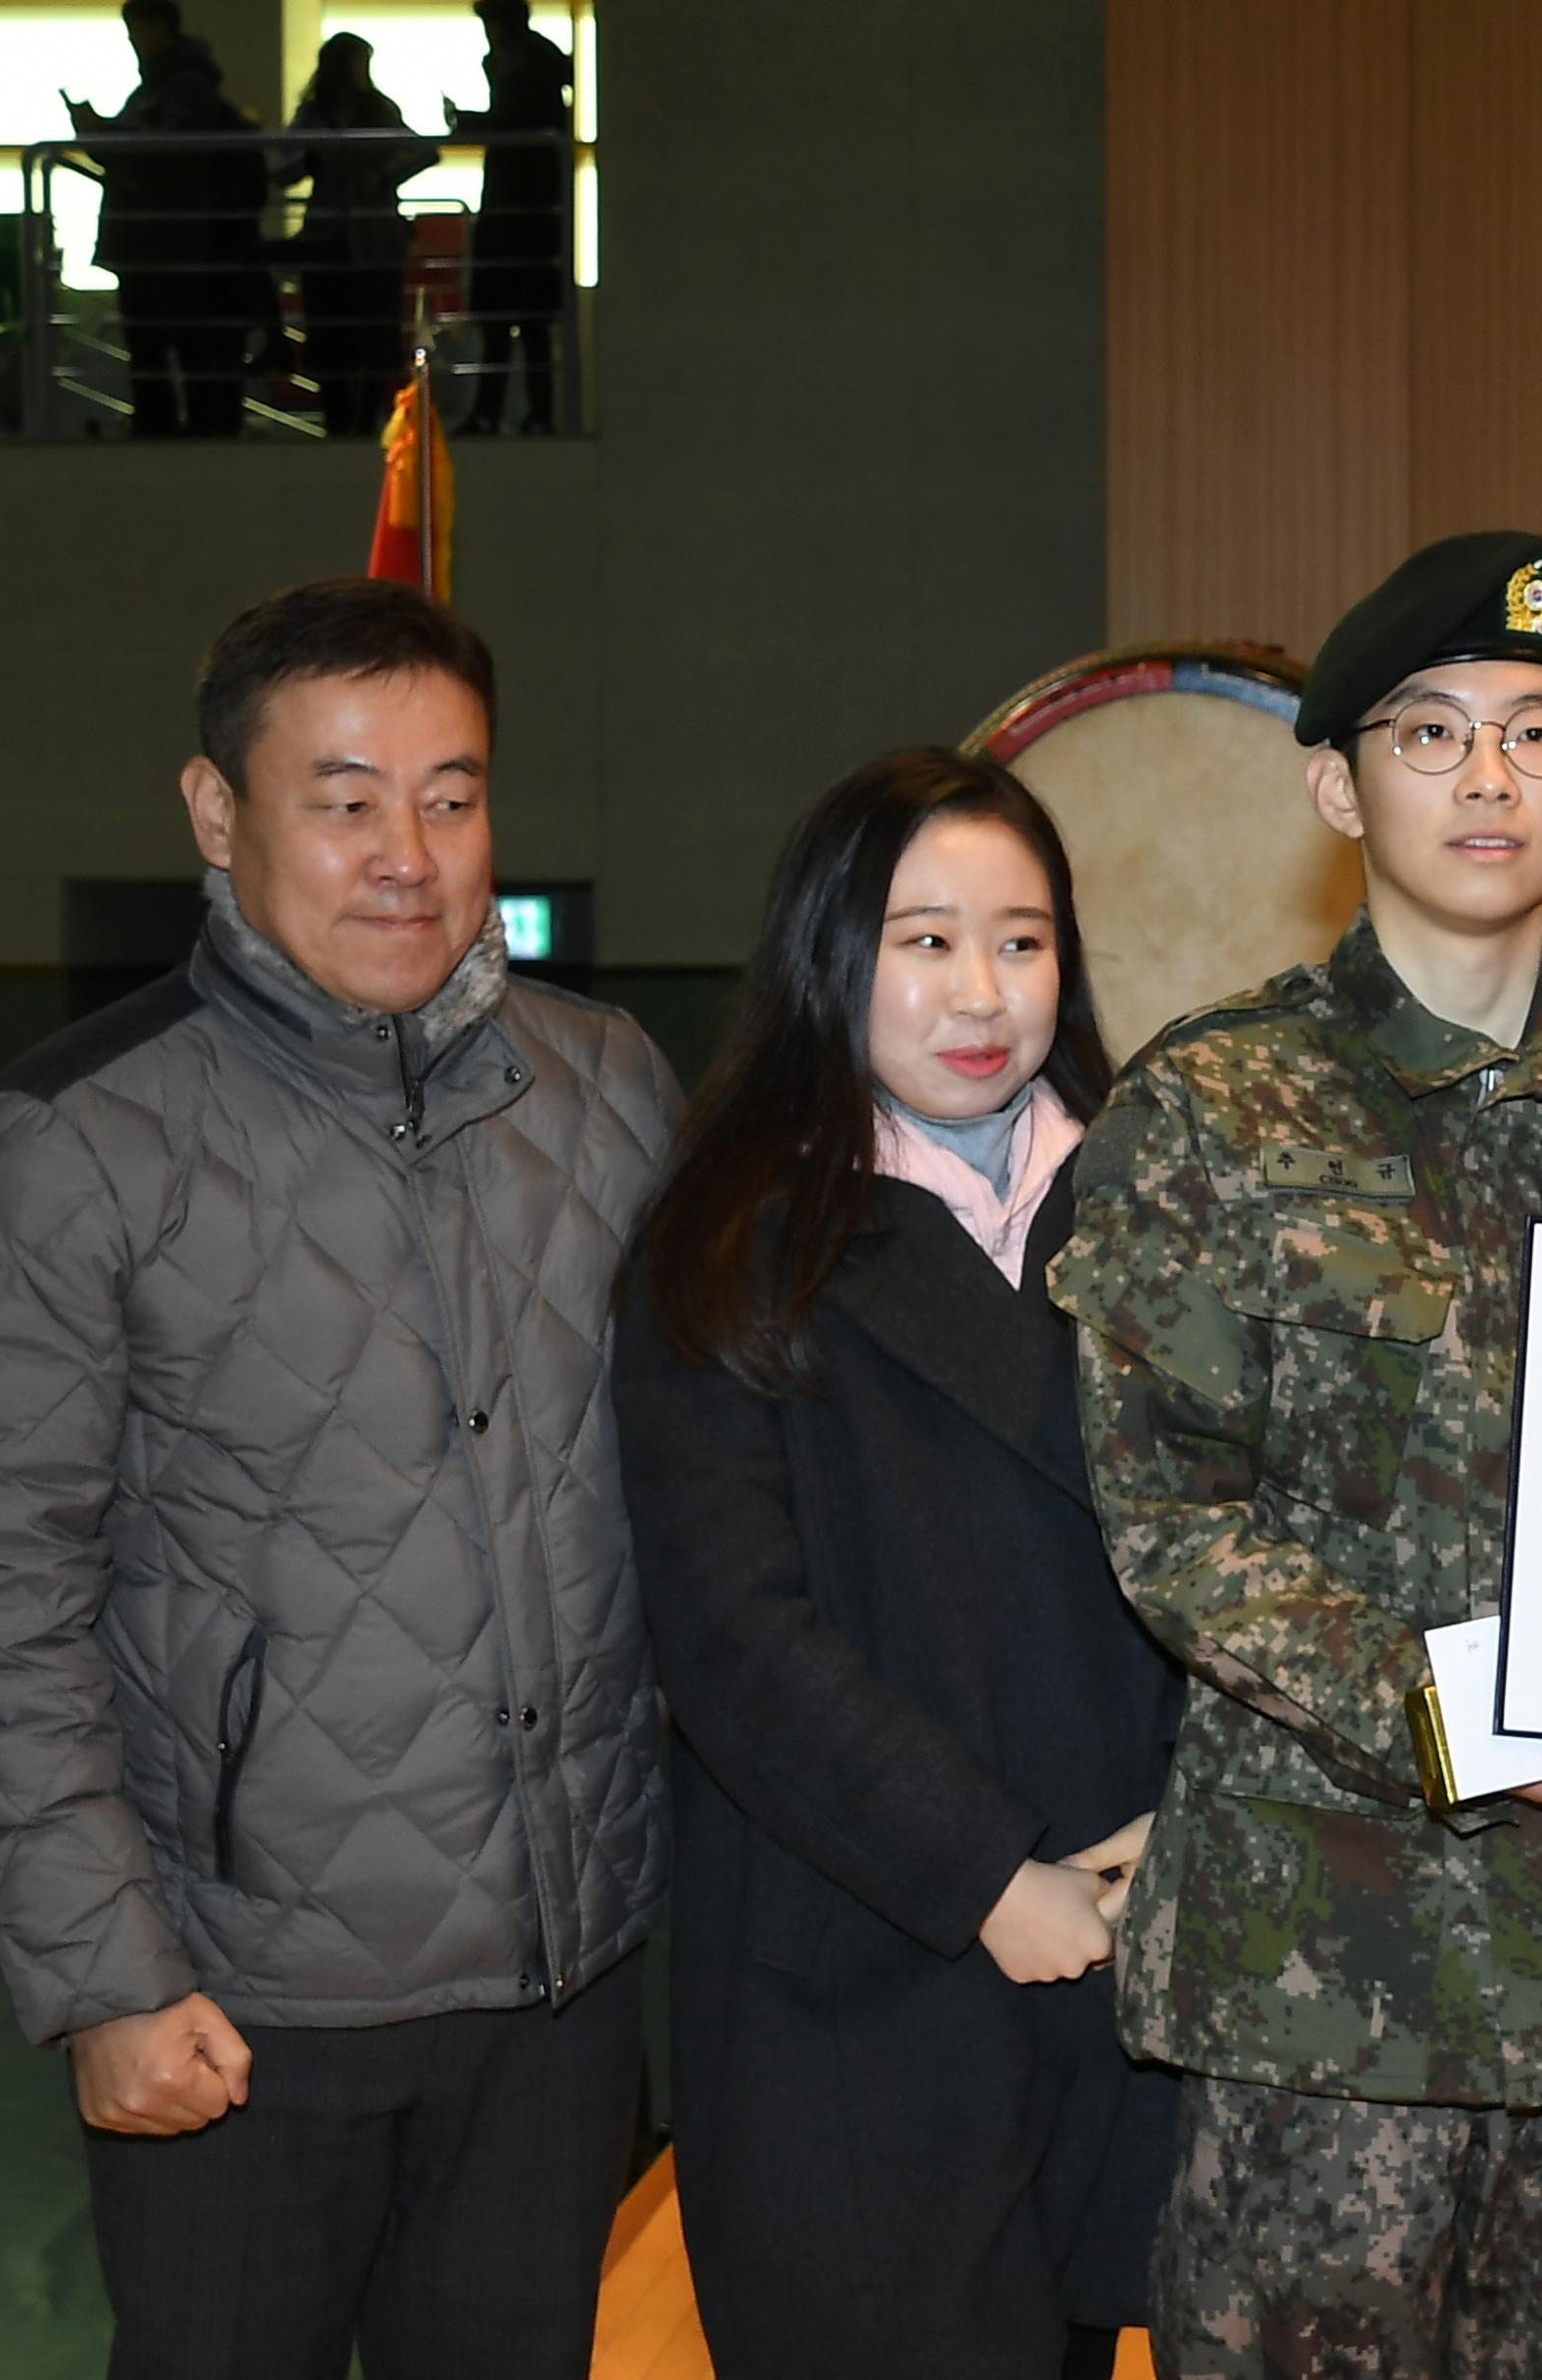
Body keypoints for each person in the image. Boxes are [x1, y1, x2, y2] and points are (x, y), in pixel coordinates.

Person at [0, 577, 680, 2379]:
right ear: (215, 813)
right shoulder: (67, 1145)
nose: (405, 852)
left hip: (561, 1988)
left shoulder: (610, 1085)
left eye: (452, 794)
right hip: (238, 2004)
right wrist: (105, 1976)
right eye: (342, 799)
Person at [1046, 530, 1542, 2380]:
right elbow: (1172, 1518)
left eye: (1534, 735)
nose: (1487, 777)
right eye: (1430, 732)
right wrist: (1462, 1716)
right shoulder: (1209, 1111)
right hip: (1329, 1988)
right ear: (1334, 784)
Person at [612, 749, 1180, 2380]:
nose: (979, 991)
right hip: (858, 1959)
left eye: (1020, 936)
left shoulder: (1164, 1203)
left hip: (1121, 1934)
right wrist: (985, 1869)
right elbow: (733, 1636)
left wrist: (1190, 1819)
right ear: (828, 954)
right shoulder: (729, 1237)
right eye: (922, 939)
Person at [70, 0, 257, 437]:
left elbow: (168, 150)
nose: (134, 43)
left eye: (138, 32)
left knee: (173, 343)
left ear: (159, 28)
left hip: (167, 240)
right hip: (150, 240)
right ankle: (165, 424)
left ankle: (178, 427)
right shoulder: (155, 90)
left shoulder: (184, 88)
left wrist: (105, 131)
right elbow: (139, 150)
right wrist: (98, 133)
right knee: (152, 346)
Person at [275, 34, 434, 436]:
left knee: (374, 332)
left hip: (372, 238)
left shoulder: (378, 111)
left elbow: (422, 151)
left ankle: (364, 418)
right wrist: (315, 159)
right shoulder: (316, 115)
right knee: (331, 332)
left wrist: (382, 176)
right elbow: (283, 169)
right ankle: (339, 417)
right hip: (334, 237)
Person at [452, 0, 571, 435]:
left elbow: (512, 125)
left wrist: (468, 124)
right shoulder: (541, 61)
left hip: (510, 209)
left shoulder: (517, 67)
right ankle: (537, 414)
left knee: (501, 322)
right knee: (533, 324)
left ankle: (490, 412)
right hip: (537, 212)